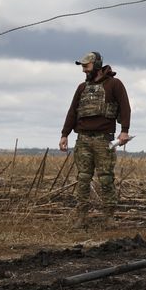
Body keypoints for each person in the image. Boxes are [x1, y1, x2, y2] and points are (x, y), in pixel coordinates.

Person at [59, 51, 131, 222]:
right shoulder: (82, 88)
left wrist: (124, 130)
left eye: (86, 66)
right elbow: (72, 111)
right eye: (82, 66)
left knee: (106, 178)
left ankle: (109, 216)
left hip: (103, 139)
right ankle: (81, 216)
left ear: (96, 65)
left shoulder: (114, 84)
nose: (84, 70)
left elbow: (125, 108)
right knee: (83, 178)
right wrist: (64, 134)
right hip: (83, 139)